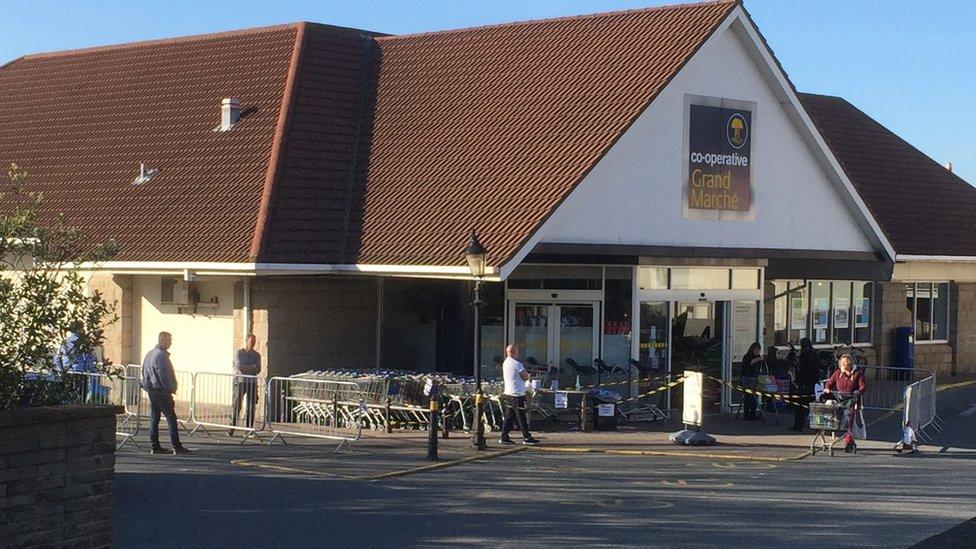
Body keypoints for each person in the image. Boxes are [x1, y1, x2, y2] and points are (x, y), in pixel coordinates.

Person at [141, 331, 190, 455]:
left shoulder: (150, 354)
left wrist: (147, 386)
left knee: (154, 417)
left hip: (152, 390)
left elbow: (144, 371)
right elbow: (164, 376)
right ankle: (176, 446)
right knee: (171, 417)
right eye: (169, 340)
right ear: (163, 341)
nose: (171, 343)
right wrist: (171, 388)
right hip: (161, 391)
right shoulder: (161, 356)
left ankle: (155, 446)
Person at [823, 354, 867, 453]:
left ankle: (848, 443)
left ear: (850, 364)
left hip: (852, 401)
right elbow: (830, 383)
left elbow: (863, 386)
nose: (845, 366)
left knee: (849, 422)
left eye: (847, 364)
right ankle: (851, 443)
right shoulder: (837, 373)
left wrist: (858, 392)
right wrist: (827, 389)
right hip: (839, 400)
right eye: (843, 364)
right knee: (840, 422)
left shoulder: (857, 374)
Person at [499, 345, 539, 445]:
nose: (518, 353)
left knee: (510, 415)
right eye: (517, 351)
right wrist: (531, 377)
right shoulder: (517, 364)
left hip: (509, 392)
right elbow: (525, 376)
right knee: (521, 416)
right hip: (517, 393)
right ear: (514, 352)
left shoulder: (506, 362)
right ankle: (527, 437)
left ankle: (504, 436)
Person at [55, 322, 97, 401]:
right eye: (82, 328)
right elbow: (88, 358)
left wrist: (61, 371)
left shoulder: (65, 342)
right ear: (79, 329)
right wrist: (93, 370)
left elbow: (57, 358)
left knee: (67, 396)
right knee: (81, 397)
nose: (83, 330)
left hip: (67, 372)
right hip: (80, 372)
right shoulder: (83, 343)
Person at [229, 334, 262, 435]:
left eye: (254, 341)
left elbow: (258, 369)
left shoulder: (256, 355)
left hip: (252, 382)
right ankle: (232, 427)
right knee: (237, 404)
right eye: (251, 341)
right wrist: (251, 366)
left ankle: (248, 429)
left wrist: (248, 368)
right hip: (240, 381)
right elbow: (240, 367)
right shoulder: (239, 353)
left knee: (251, 406)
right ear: (246, 341)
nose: (252, 343)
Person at [791, 338, 820, 431]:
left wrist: (797, 381)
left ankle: (798, 425)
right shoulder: (815, 354)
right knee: (813, 405)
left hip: (804, 383)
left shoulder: (804, 354)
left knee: (799, 405)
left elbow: (803, 370)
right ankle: (816, 426)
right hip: (813, 383)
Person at [740, 342, 763, 421]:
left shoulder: (759, 357)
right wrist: (758, 359)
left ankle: (753, 413)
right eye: (756, 349)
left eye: (758, 350)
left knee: (754, 397)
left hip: (755, 378)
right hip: (747, 378)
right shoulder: (747, 357)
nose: (757, 351)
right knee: (748, 397)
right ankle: (746, 414)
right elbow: (748, 364)